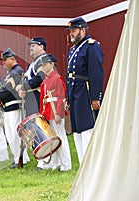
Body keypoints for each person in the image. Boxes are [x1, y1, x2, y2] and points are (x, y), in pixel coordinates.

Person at [66, 17, 104, 163]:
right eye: (70, 31)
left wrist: (96, 97)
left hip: (86, 93)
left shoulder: (91, 46)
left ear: (83, 30)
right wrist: (68, 98)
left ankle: (91, 163)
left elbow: (96, 73)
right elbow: (70, 75)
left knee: (87, 128)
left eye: (73, 31)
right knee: (77, 130)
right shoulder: (73, 50)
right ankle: (83, 164)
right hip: (75, 93)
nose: (71, 34)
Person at [0, 48, 30, 169]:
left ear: (12, 59)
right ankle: (19, 158)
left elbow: (6, 89)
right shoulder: (11, 73)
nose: (3, 62)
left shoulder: (16, 71)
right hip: (8, 107)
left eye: (5, 59)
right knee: (10, 135)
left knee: (15, 134)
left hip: (14, 106)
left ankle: (21, 159)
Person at [39, 54, 71, 171]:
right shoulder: (45, 81)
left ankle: (66, 164)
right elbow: (43, 99)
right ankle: (56, 162)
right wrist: (42, 115)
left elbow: (61, 97)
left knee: (60, 137)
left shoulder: (57, 78)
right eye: (42, 64)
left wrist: (59, 113)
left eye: (45, 64)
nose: (43, 66)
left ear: (52, 64)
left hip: (55, 112)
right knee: (53, 139)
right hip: (48, 112)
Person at [16, 37, 47, 117]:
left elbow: (39, 78)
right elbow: (25, 78)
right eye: (30, 46)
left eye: (33, 46)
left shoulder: (45, 60)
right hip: (31, 100)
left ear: (41, 47)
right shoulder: (32, 64)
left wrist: (23, 86)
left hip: (39, 98)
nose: (30, 48)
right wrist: (21, 90)